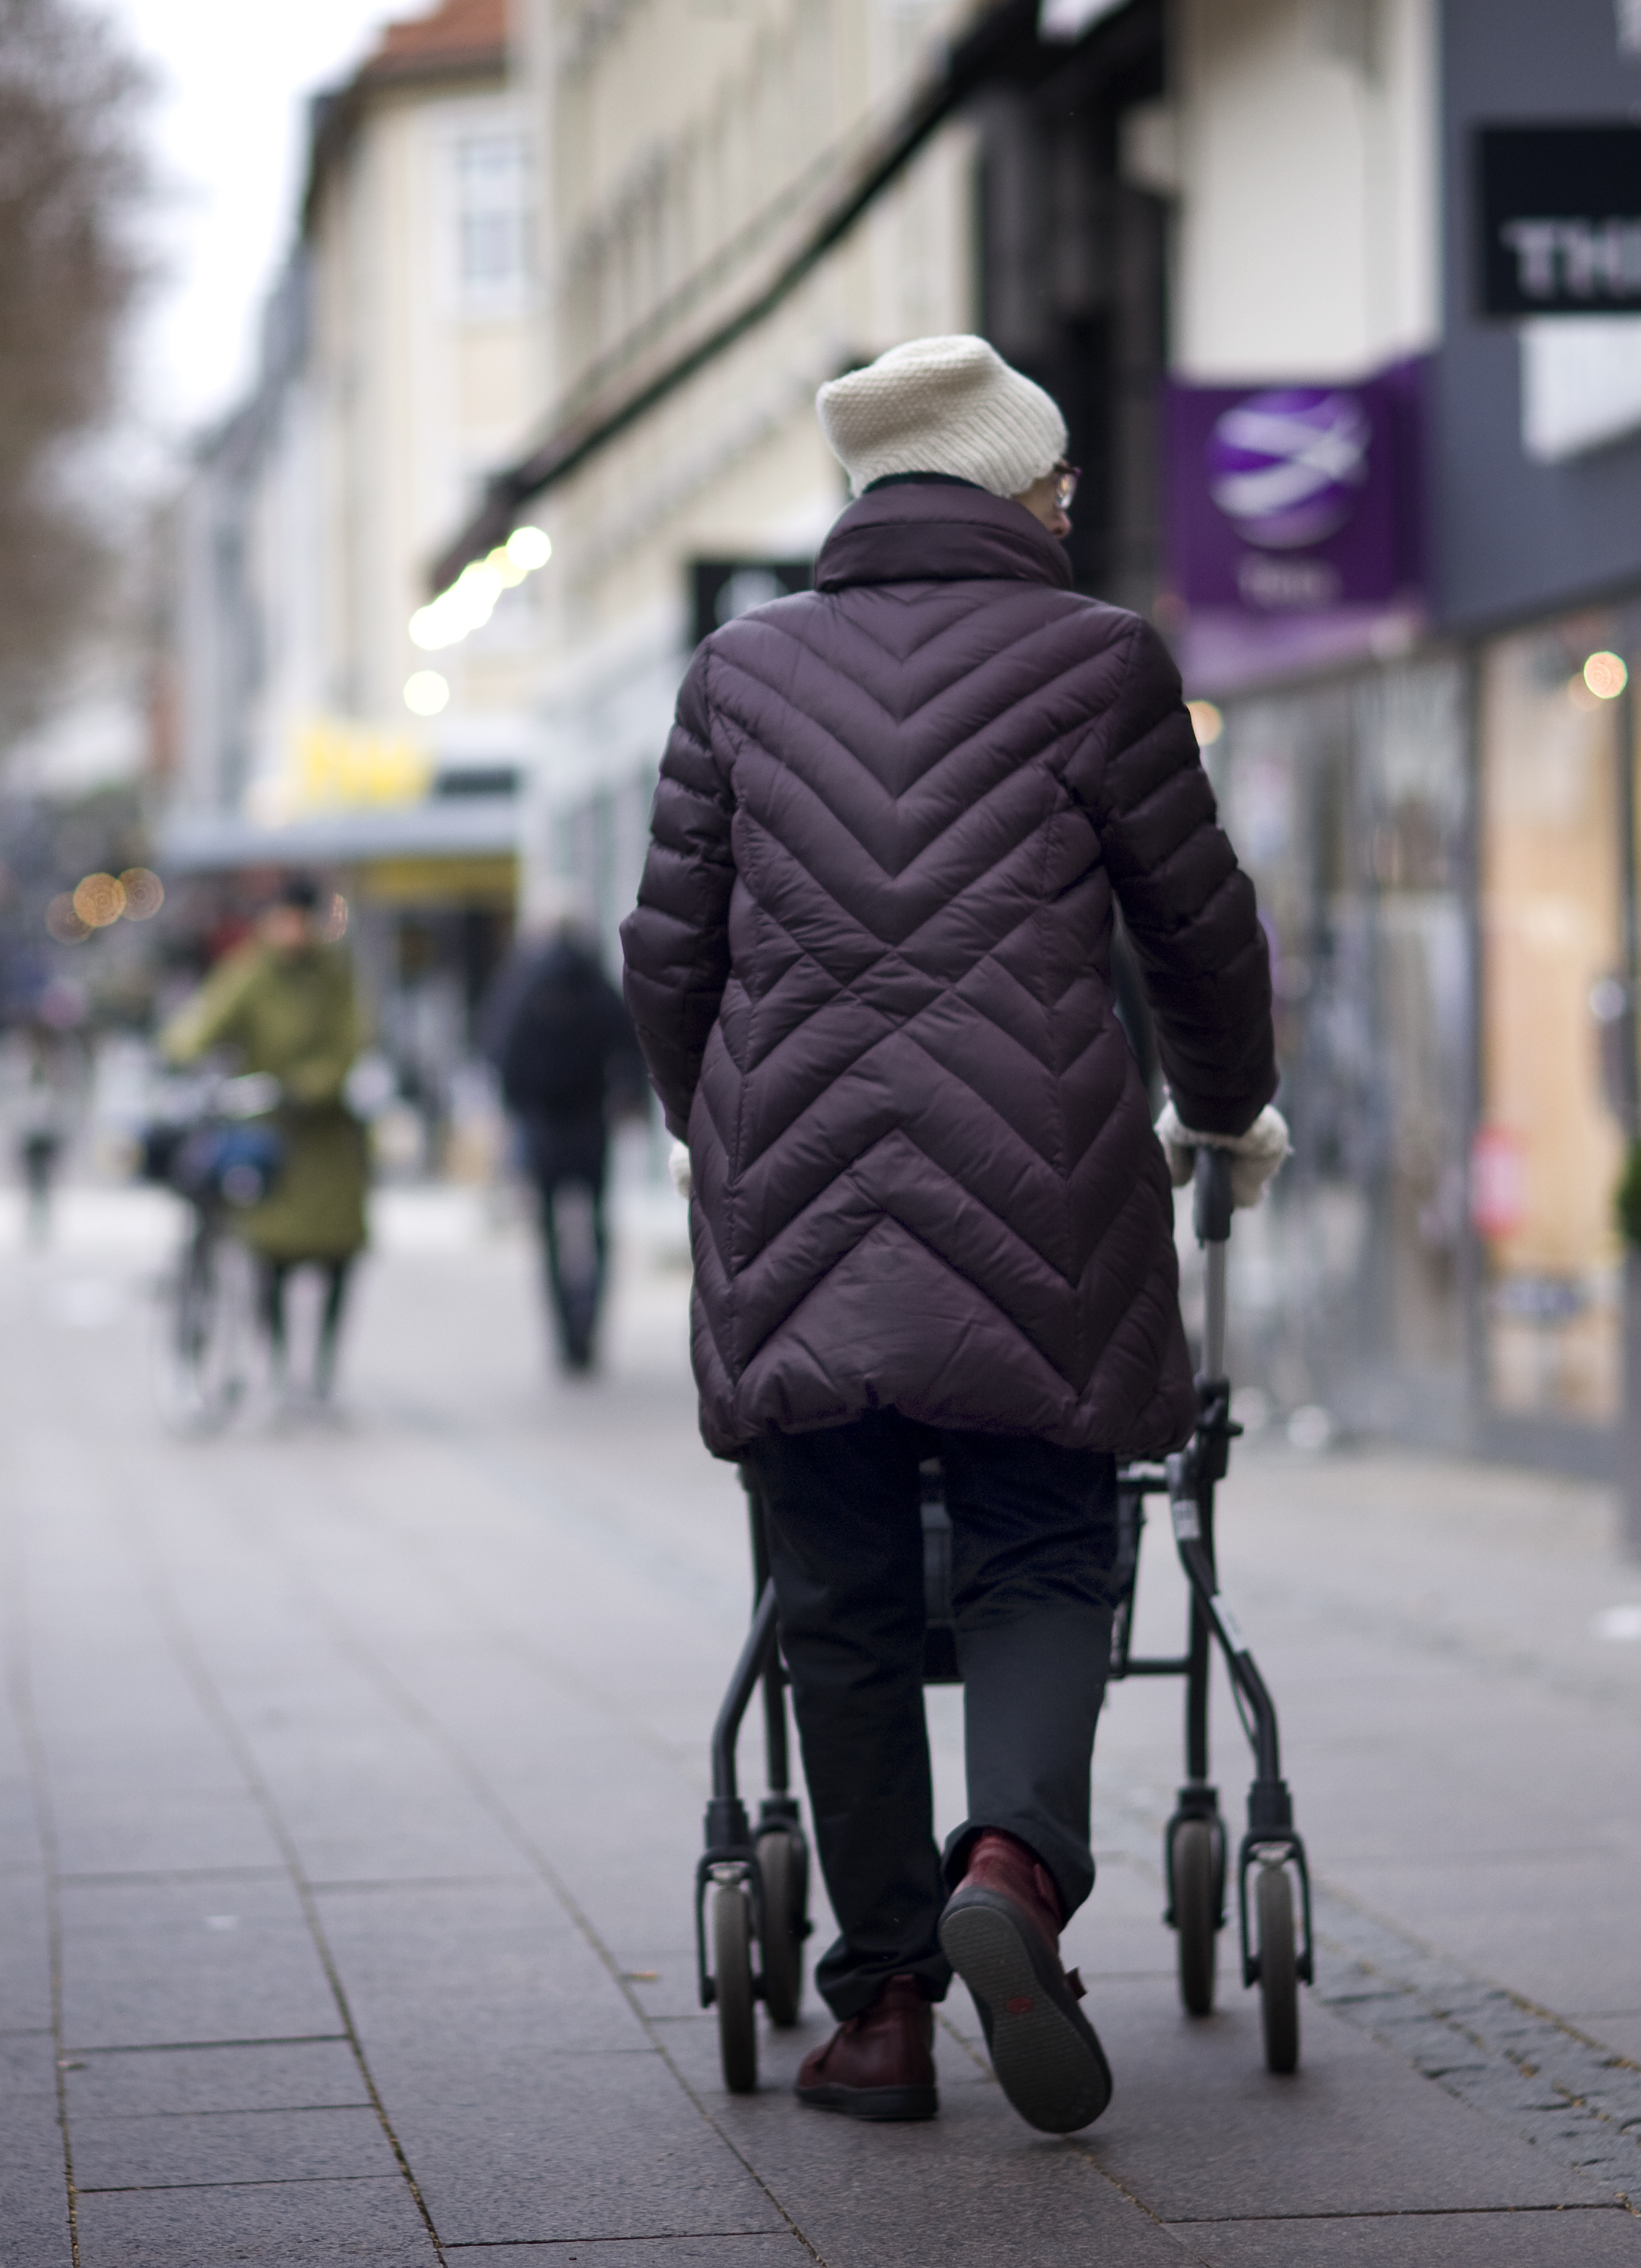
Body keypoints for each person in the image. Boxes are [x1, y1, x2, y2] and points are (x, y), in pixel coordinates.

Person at [621, 334, 1288, 2137]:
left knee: (836, 1598)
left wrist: (717, 1131)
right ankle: (1016, 1861)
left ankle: (885, 2009)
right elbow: (1199, 936)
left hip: (796, 1204)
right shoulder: (1100, 664)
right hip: (1049, 1201)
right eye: (1058, 479)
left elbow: (668, 951)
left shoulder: (740, 671)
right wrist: (1225, 1109)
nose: (1073, 504)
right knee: (1043, 1547)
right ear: (1012, 489)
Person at [160, 876, 373, 1405]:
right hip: (270, 1138)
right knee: (269, 1257)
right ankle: (278, 1367)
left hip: (327, 1140)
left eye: (298, 919)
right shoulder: (250, 972)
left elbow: (352, 1041)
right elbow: (202, 1023)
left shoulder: (334, 973)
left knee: (338, 1257)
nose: (290, 930)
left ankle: (322, 1371)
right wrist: (178, 1057)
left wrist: (310, 1086)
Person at [486, 918, 640, 1374]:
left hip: (546, 1127)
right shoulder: (596, 984)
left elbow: (501, 1051)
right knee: (596, 1229)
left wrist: (518, 1111)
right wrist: (625, 1098)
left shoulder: (526, 985)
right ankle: (588, 1323)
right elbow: (632, 1043)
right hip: (590, 1122)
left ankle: (562, 1333)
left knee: (550, 1233)